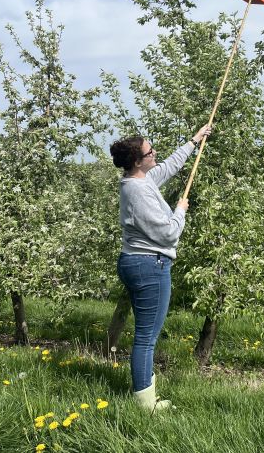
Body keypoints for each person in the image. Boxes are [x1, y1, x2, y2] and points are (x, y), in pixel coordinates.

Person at [110, 124, 211, 412]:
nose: (155, 153)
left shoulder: (140, 179)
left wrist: (195, 140)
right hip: (148, 266)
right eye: (149, 151)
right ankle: (144, 404)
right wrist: (180, 210)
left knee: (146, 335)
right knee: (146, 338)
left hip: (140, 263)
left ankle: (143, 395)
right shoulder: (138, 192)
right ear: (137, 161)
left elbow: (168, 168)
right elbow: (167, 234)